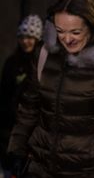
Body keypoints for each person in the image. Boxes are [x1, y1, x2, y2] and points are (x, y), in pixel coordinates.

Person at [7, 0, 94, 178]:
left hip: (87, 171)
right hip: (40, 168)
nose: (67, 39)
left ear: (91, 27)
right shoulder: (44, 55)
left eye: (76, 32)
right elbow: (28, 109)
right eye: (60, 31)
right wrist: (16, 149)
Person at [0, 14, 43, 177]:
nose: (26, 41)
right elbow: (4, 93)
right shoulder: (12, 62)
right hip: (10, 125)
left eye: (31, 37)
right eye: (23, 37)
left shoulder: (41, 63)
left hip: (34, 128)